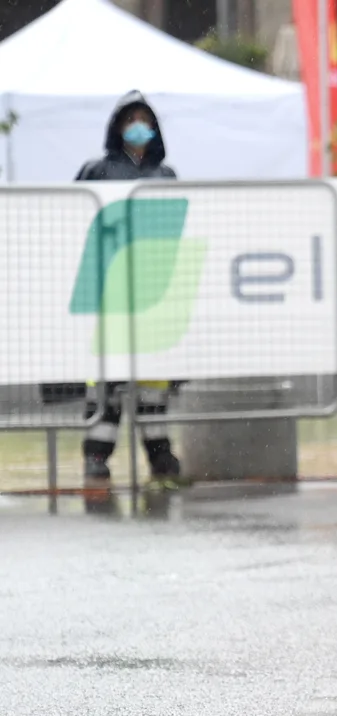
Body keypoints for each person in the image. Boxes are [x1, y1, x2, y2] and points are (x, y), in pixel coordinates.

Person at [76, 91, 182, 486]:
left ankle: (161, 456)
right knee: (108, 379)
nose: (139, 127)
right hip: (109, 294)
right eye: (130, 119)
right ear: (118, 126)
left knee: (154, 382)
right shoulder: (98, 172)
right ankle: (97, 456)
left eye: (145, 120)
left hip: (154, 291)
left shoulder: (166, 176)